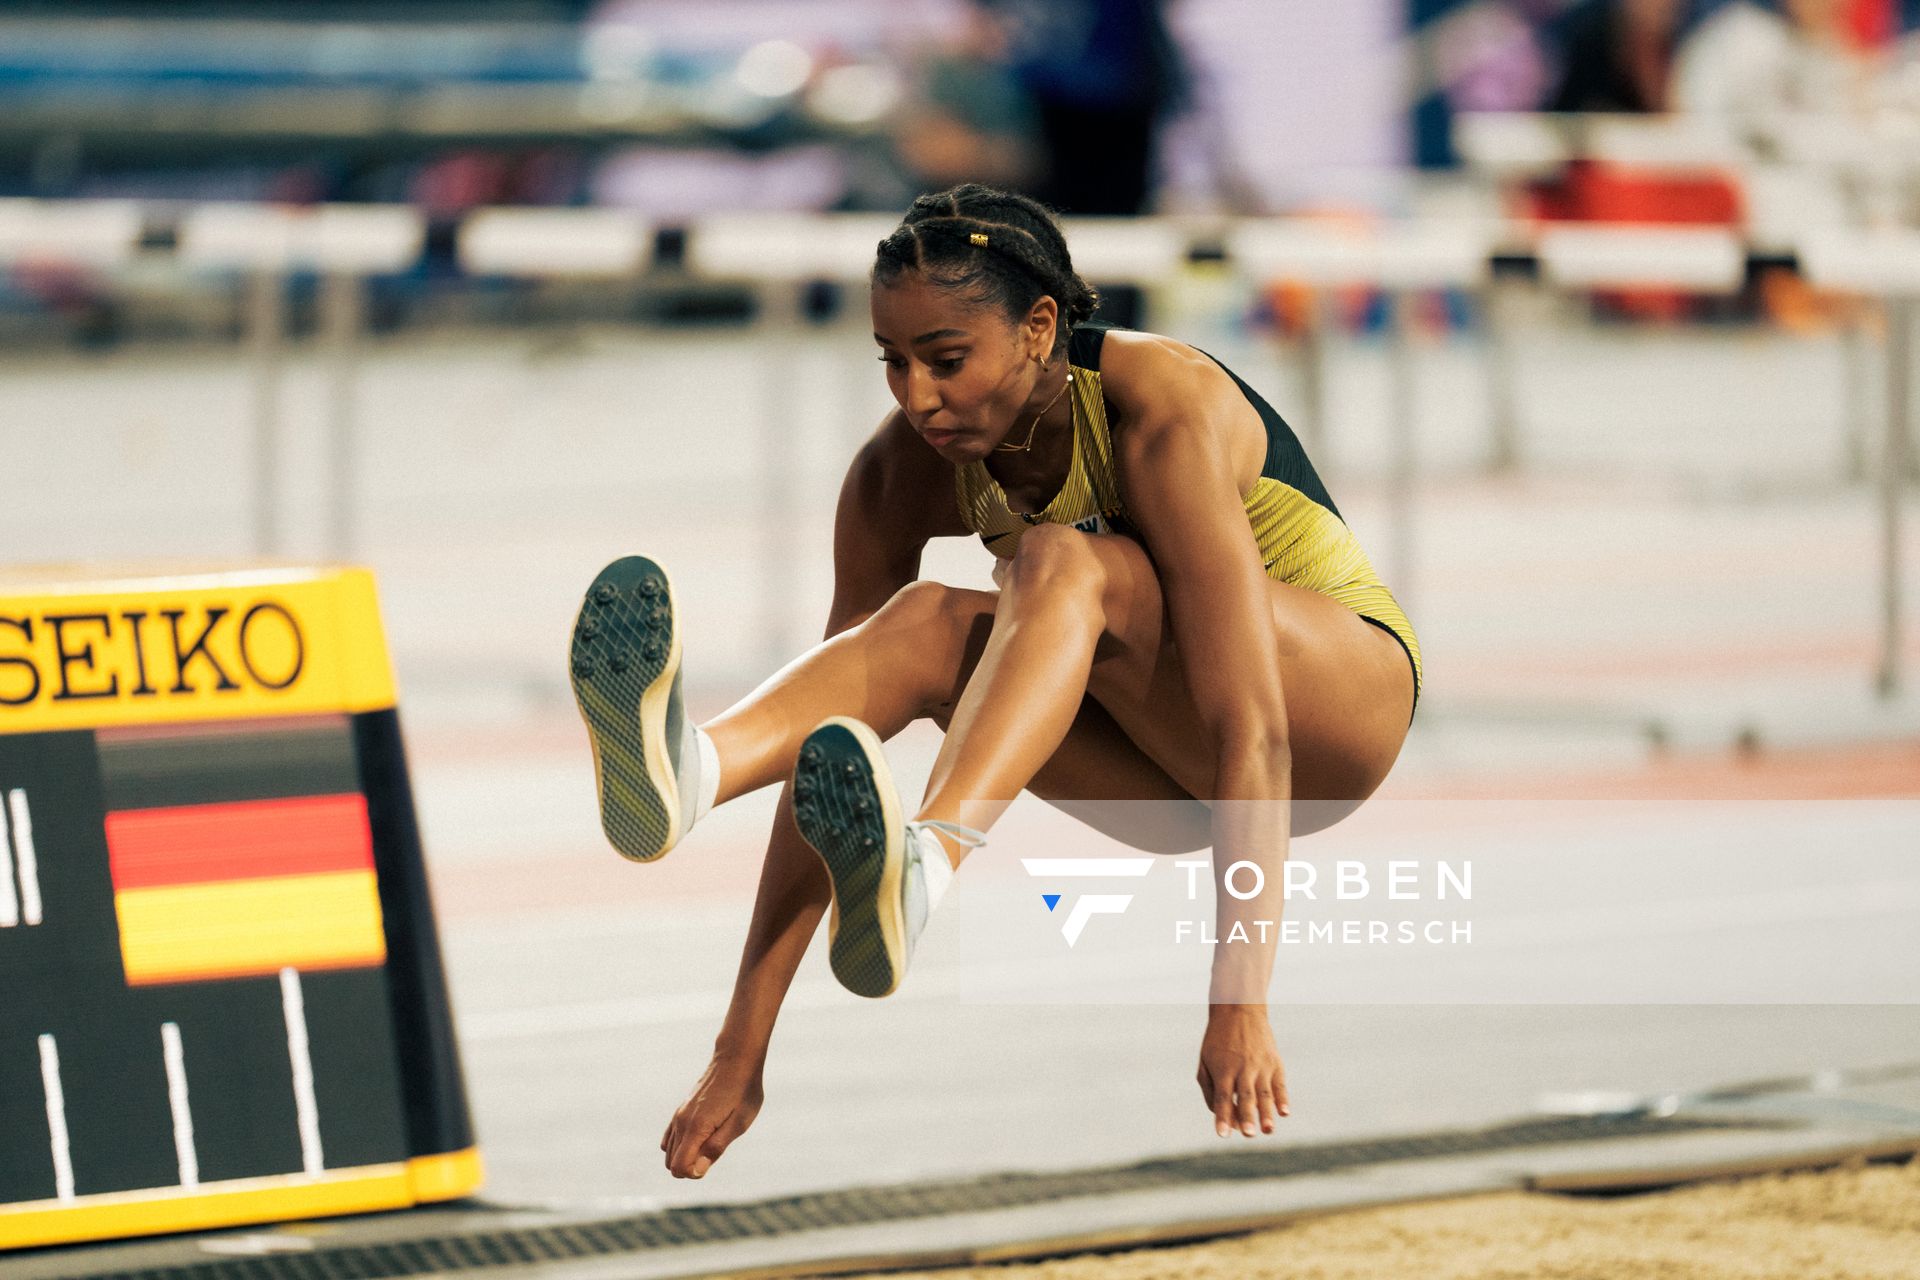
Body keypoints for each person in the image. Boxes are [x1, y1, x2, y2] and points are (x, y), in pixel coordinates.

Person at [568, 184, 1421, 1181]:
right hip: (1168, 772)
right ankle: (694, 768)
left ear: (1039, 327)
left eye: (945, 358)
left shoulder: (1161, 407)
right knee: (925, 625)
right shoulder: (901, 472)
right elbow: (828, 751)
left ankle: (925, 865)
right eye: (892, 361)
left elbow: (1255, 731)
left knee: (1064, 562)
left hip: (1332, 717)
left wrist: (1240, 996)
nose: (917, 397)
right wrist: (739, 1052)